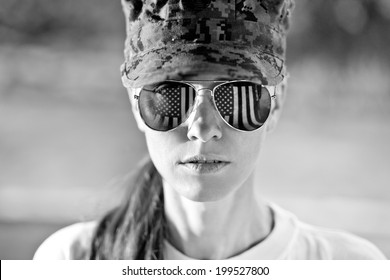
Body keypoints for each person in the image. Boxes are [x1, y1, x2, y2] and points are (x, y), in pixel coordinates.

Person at [33, 0, 386, 260]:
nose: (202, 129)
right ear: (135, 105)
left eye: (237, 95)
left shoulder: (347, 265)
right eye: (171, 96)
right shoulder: (71, 260)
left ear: (276, 104)